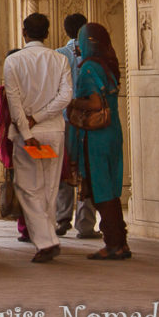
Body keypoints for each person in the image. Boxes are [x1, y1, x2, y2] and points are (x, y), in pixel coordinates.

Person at [3, 13, 73, 264]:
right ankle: (49, 236)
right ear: (47, 33)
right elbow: (66, 96)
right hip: (53, 131)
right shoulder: (59, 59)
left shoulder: (14, 61)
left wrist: (28, 129)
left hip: (29, 135)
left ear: (24, 32)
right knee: (49, 188)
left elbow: (14, 100)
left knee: (28, 187)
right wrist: (41, 117)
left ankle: (46, 241)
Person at [67, 23, 130, 260]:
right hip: (112, 132)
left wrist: (73, 103)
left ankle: (113, 243)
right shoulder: (109, 65)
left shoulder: (89, 68)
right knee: (110, 187)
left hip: (96, 136)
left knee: (101, 188)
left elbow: (94, 103)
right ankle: (120, 242)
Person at [55, 13, 100, 238]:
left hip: (64, 120)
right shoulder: (94, 56)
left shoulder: (58, 55)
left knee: (64, 169)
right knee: (86, 170)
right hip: (89, 121)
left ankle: (61, 218)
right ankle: (85, 224)